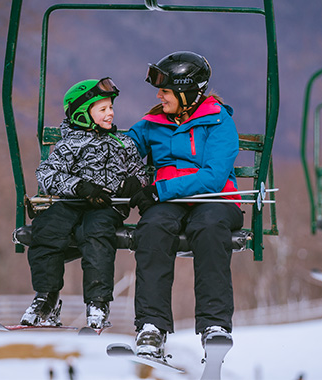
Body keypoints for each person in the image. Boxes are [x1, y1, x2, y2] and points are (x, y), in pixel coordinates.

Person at [124, 51, 243, 359]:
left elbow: (214, 177)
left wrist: (158, 190)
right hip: (169, 202)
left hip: (213, 200)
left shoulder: (218, 120)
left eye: (165, 90)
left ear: (187, 91)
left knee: (209, 226)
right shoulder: (152, 123)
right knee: (152, 228)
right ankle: (152, 325)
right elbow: (122, 150)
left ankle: (214, 326)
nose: (159, 96)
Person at [20, 77, 148, 329]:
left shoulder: (123, 143)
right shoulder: (69, 145)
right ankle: (47, 296)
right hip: (71, 201)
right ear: (82, 114)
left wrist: (135, 183)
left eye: (111, 107)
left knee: (96, 233)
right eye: (103, 109)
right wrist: (78, 186)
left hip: (106, 205)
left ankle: (97, 301)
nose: (110, 113)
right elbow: (47, 174)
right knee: (46, 229)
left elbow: (142, 173)